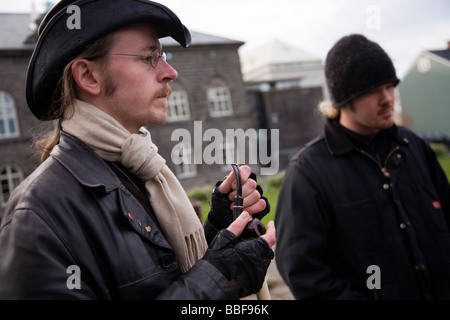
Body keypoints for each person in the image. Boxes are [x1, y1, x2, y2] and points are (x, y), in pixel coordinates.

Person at [0, 0, 275, 299]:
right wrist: (219, 280)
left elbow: (167, 275)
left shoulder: (137, 166)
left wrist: (220, 229)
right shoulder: (37, 215)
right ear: (89, 76)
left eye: (164, 55)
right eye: (149, 57)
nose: (171, 72)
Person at [275, 34, 450, 300]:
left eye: (390, 86)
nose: (388, 98)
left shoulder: (413, 147)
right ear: (345, 99)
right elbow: (304, 274)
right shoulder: (308, 173)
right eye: (373, 90)